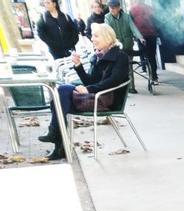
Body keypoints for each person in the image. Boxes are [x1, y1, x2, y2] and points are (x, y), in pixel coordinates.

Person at [39, 23, 129, 160]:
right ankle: (57, 138)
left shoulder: (120, 56)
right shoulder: (97, 56)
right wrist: (78, 66)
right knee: (61, 96)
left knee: (62, 94)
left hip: (108, 100)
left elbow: (114, 81)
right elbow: (90, 81)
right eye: (92, 35)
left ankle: (56, 137)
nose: (92, 39)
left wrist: (88, 89)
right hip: (97, 96)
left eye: (96, 35)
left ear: (108, 38)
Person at [104, 0, 143, 93]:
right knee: (119, 69)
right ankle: (122, 88)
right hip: (116, 47)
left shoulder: (126, 17)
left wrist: (140, 37)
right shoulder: (107, 17)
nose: (111, 10)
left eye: (113, 8)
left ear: (119, 8)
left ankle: (131, 87)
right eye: (110, 8)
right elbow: (108, 29)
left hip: (128, 46)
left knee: (129, 67)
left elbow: (133, 27)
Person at [129, 0, 159, 82]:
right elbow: (157, 22)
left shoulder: (132, 10)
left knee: (143, 53)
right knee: (152, 56)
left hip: (141, 36)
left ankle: (145, 69)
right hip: (152, 35)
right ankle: (154, 76)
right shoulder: (150, 8)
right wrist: (157, 33)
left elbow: (131, 24)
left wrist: (134, 36)